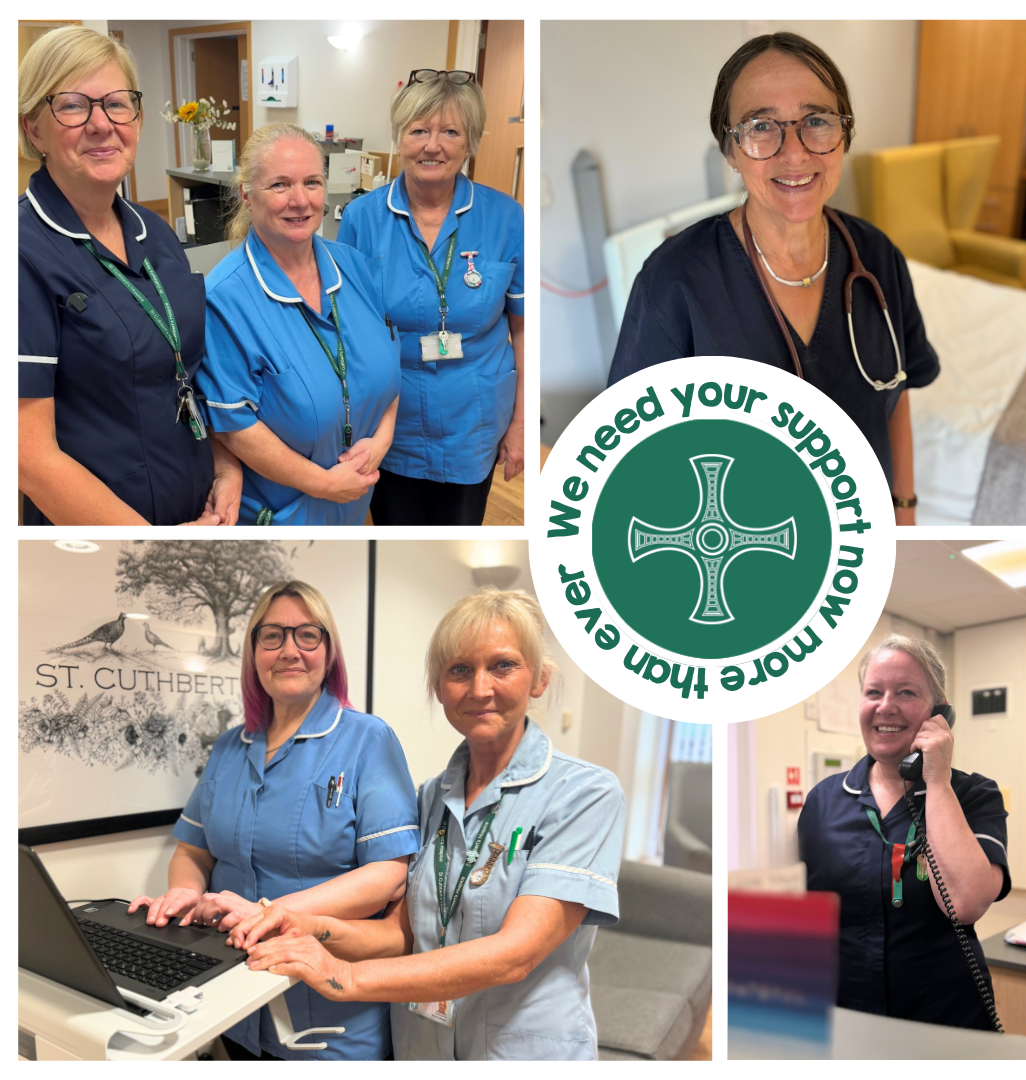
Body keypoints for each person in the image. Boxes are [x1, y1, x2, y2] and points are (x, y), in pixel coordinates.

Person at [227, 589, 626, 1060]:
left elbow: (517, 954)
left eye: (503, 666)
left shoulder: (585, 793)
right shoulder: (430, 797)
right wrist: (305, 924)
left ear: (539, 679)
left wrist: (345, 977)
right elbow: (403, 935)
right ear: (439, 688)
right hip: (423, 1049)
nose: (480, 689)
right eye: (459, 670)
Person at [608, 32, 940, 526]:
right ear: (731, 150)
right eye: (761, 126)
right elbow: (635, 455)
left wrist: (904, 511)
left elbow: (897, 394)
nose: (795, 153)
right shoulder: (674, 280)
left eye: (817, 121)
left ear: (843, 134)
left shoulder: (876, 256)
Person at [128, 581, 420, 1060]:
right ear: (253, 651)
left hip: (330, 1014)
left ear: (329, 652)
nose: (289, 650)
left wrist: (276, 913)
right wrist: (184, 892)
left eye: (307, 635)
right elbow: (193, 850)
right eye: (272, 636)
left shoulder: (368, 739)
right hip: (231, 1002)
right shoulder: (228, 747)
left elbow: (389, 874)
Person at [18, 26, 241, 525]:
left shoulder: (155, 233)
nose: (102, 124)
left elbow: (186, 372)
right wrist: (157, 547)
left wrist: (225, 466)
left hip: (198, 509)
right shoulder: (22, 252)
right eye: (73, 105)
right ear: (34, 129)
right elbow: (29, 459)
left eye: (118, 103)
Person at [337, 70, 525, 526]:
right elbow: (347, 330)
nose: (432, 145)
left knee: (461, 525)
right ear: (400, 139)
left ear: (470, 142)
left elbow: (524, 328)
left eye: (450, 131)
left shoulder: (506, 216)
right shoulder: (362, 217)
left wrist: (520, 424)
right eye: (418, 130)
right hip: (389, 422)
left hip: (473, 420)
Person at [797, 635, 1009, 1030]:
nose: (885, 706)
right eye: (873, 691)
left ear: (939, 713)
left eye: (906, 692)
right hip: (846, 1023)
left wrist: (938, 783)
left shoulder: (974, 795)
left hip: (944, 1025)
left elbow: (965, 903)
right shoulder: (823, 801)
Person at [196, 124, 400, 525]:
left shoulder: (355, 267)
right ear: (246, 195)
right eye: (279, 185)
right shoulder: (224, 299)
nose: (300, 200)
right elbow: (233, 426)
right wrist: (323, 485)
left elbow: (390, 365)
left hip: (354, 499)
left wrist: (382, 439)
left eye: (312, 182)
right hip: (284, 513)